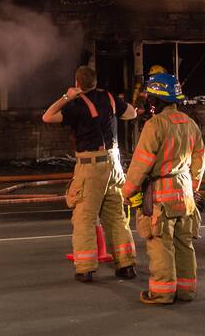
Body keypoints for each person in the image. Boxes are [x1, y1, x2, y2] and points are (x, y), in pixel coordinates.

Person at [43, 65, 139, 282]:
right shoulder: (110, 99)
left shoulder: (75, 105)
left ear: (77, 84)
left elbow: (48, 117)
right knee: (116, 216)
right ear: (96, 82)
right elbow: (132, 113)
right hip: (114, 165)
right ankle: (127, 265)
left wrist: (66, 97)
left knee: (84, 218)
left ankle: (85, 268)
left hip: (90, 166)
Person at [122, 73, 205, 305]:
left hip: (161, 195)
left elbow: (141, 162)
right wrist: (194, 185)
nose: (149, 102)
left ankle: (162, 292)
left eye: (150, 98)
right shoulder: (190, 124)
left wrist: (127, 191)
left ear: (157, 100)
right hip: (186, 193)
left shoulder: (155, 125)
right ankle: (186, 291)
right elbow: (200, 159)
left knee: (160, 244)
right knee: (184, 244)